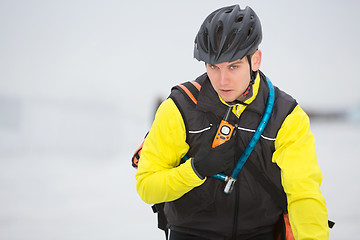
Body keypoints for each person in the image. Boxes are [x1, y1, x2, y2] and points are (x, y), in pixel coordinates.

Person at [135, 5, 329, 240]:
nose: (222, 80)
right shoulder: (180, 108)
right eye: (213, 67)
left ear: (255, 60)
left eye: (233, 66)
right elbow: (147, 186)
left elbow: (304, 194)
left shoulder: (286, 116)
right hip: (190, 232)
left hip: (260, 233)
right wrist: (196, 170)